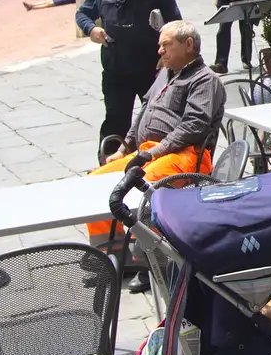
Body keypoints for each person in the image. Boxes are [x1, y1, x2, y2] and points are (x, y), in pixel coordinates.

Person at [84, 21, 225, 259]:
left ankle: (150, 257)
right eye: (160, 46)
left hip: (185, 155)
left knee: (142, 186)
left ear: (188, 45)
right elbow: (144, 112)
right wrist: (123, 149)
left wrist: (154, 152)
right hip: (149, 152)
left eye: (166, 45)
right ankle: (110, 251)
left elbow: (194, 125)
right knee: (94, 182)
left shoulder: (204, 79)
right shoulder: (165, 73)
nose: (160, 51)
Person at [74, 0, 183, 147]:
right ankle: (108, 167)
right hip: (116, 70)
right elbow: (82, 14)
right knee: (115, 121)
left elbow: (176, 23)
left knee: (157, 120)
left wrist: (166, 56)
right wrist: (92, 29)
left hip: (151, 69)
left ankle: (153, 165)